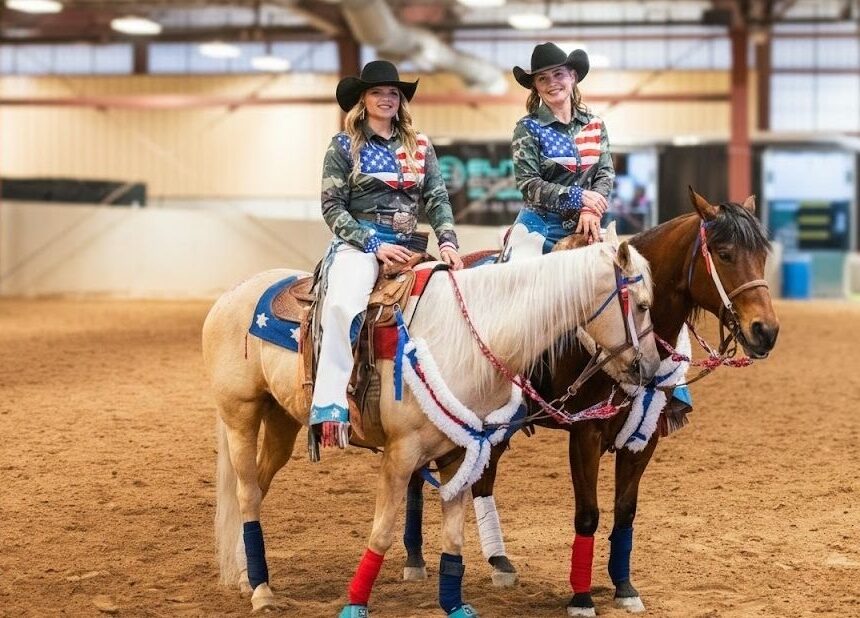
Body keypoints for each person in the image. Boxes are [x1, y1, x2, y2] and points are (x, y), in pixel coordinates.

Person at [311, 60, 463, 450]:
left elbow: (437, 198)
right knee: (343, 305)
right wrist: (373, 245)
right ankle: (330, 403)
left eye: (393, 93)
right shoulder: (344, 145)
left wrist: (447, 241)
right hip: (361, 244)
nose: (386, 98)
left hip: (411, 245)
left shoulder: (420, 145)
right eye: (378, 92)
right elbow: (332, 207)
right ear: (363, 100)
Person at [501, 42, 613, 261]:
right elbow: (529, 185)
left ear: (573, 77)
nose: (552, 83)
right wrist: (579, 197)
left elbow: (605, 173)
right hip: (539, 228)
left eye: (558, 74)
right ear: (536, 86)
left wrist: (591, 209)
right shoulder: (528, 128)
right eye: (542, 78)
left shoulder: (595, 124)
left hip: (588, 224)